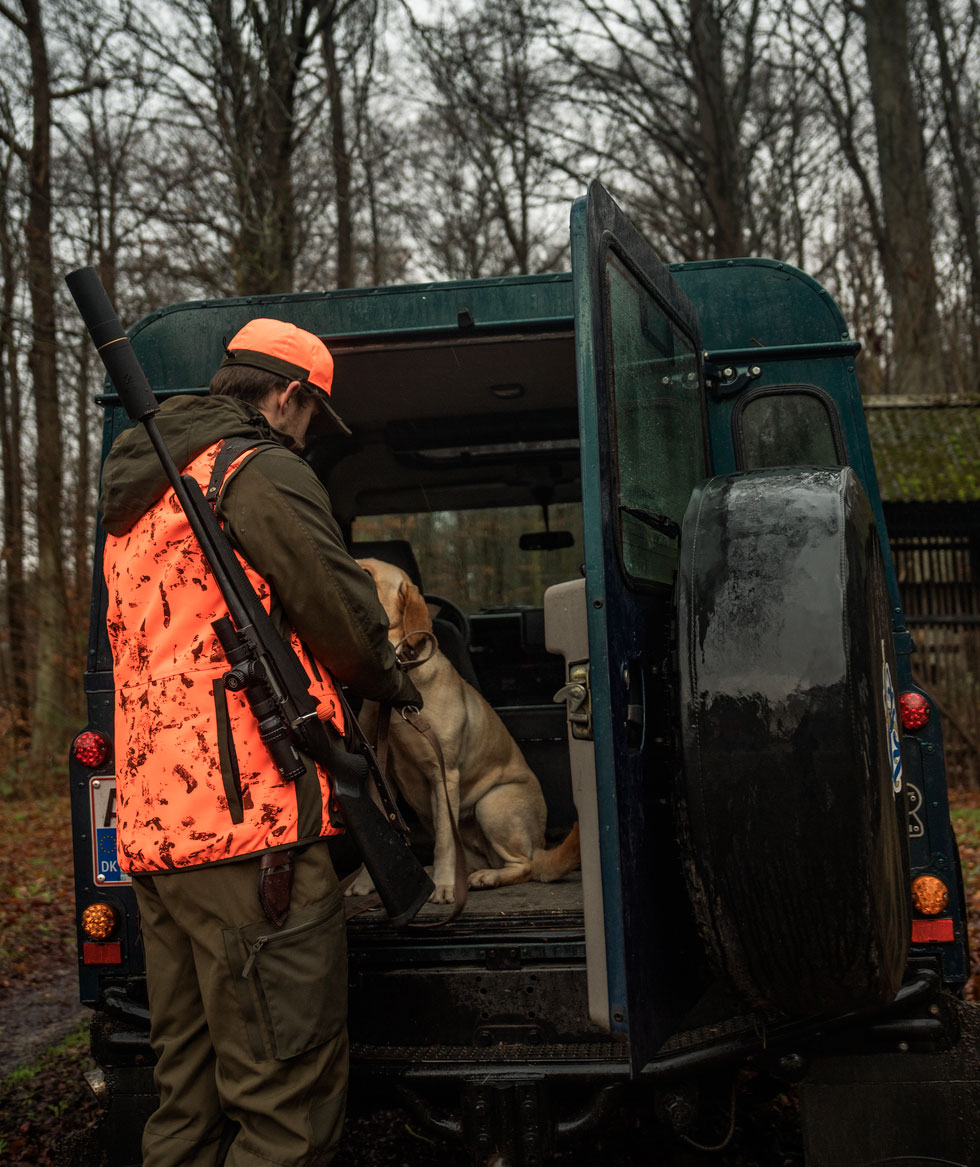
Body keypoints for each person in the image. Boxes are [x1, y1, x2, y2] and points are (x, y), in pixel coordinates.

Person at [98, 318, 421, 1167]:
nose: (310, 434)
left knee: (186, 1103)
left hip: (159, 841)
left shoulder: (137, 501)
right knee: (286, 1108)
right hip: (254, 838)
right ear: (290, 395)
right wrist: (396, 683)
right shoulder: (258, 469)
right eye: (313, 417)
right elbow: (348, 621)